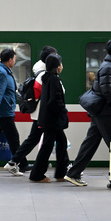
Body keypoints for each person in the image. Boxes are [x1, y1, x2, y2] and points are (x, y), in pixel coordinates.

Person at [64, 38, 111, 186]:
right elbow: (107, 91)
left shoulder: (109, 66)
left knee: (90, 144)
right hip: (104, 112)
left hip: (101, 111)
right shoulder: (109, 67)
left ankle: (73, 173)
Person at [3, 46, 58, 176]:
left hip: (40, 114)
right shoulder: (44, 76)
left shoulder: (41, 72)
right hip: (43, 114)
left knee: (34, 139)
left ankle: (12, 162)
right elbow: (41, 95)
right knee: (56, 140)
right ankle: (65, 169)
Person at [29, 54, 70, 183]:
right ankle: (37, 174)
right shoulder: (54, 80)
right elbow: (54, 101)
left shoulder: (46, 78)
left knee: (60, 143)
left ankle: (60, 173)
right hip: (52, 120)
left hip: (48, 119)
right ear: (58, 66)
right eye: (61, 64)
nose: (62, 66)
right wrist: (63, 110)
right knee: (48, 146)